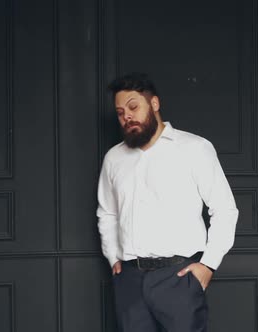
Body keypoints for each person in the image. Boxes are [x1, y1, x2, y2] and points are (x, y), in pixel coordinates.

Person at [97, 72, 239, 332]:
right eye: (120, 112)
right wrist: (113, 257)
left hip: (178, 277)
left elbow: (225, 209)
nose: (126, 116)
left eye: (133, 106)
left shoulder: (194, 148)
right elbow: (107, 213)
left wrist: (208, 265)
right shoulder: (114, 159)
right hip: (130, 280)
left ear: (154, 104)